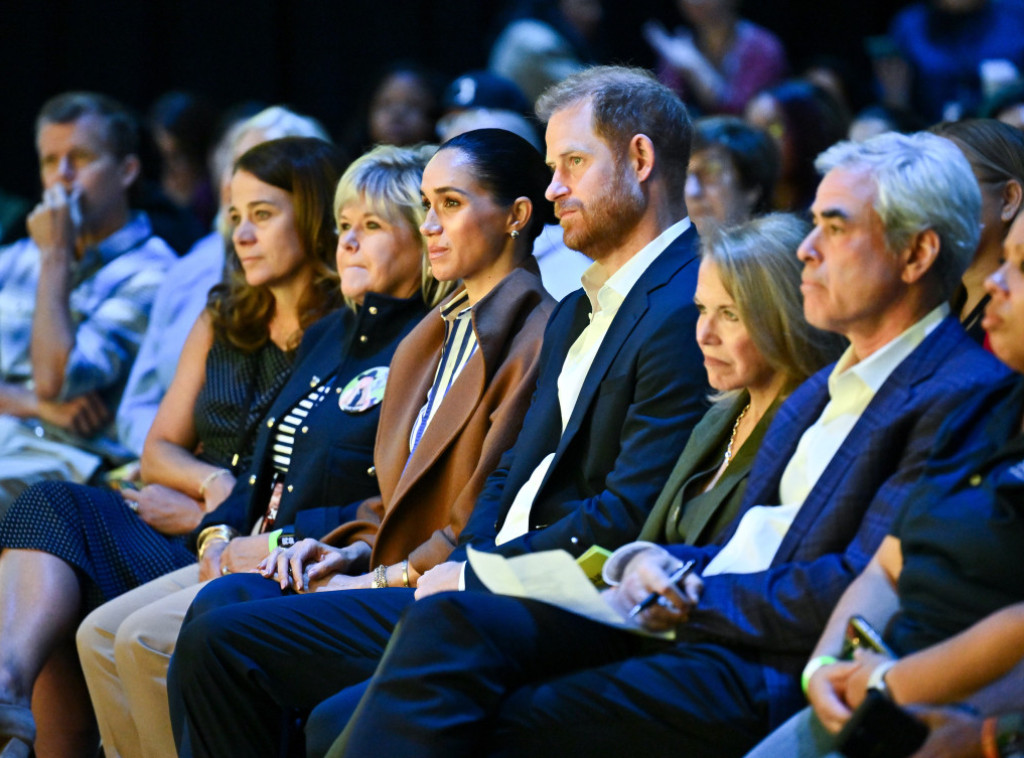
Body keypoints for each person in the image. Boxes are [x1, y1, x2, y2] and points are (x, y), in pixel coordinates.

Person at [295, 130, 1014, 758]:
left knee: (482, 719)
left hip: (758, 660)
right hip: (695, 614)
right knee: (442, 622)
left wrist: (691, 596)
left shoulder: (955, 390)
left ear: (917, 254)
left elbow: (856, 580)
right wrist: (650, 562)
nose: (806, 249)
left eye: (833, 227)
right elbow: (743, 544)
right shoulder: (827, 383)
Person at [167, 64, 713, 757]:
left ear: (640, 159)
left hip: (562, 598)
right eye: (551, 168)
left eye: (573, 164)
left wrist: (472, 570)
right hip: (483, 579)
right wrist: (453, 559)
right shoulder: (581, 306)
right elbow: (510, 475)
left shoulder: (683, 304)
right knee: (225, 617)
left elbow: (626, 511)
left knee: (229, 640)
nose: (552, 190)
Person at [87, 129, 554, 758]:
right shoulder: (435, 335)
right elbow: (389, 493)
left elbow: (478, 514)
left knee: (213, 637)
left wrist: (369, 574)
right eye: (427, 207)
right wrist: (329, 550)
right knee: (213, 602)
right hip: (372, 560)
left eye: (449, 205)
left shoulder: (534, 335)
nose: (432, 227)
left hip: (439, 586)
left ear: (517, 217)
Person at [0, 136, 345, 758]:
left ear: (316, 216)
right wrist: (213, 487)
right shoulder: (225, 314)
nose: (242, 234)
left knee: (74, 556)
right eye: (234, 216)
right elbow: (160, 447)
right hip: (190, 515)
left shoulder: (350, 332)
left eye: (263, 215)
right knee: (51, 504)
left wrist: (212, 515)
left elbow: (320, 481)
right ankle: (7, 688)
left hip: (247, 543)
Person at [743, 207, 1024, 758]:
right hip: (874, 687)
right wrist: (824, 668)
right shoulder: (988, 402)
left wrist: (892, 684)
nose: (994, 281)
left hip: (965, 713)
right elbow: (887, 566)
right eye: (1005, 258)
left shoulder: (957, 380)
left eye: (1021, 266)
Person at [115, 105, 331, 457]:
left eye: (272, 168)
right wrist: (177, 466)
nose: (249, 180)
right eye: (242, 164)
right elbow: (141, 405)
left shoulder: (340, 321)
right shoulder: (191, 274)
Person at [0, 92, 176, 507]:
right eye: (49, 161)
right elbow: (50, 400)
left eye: (79, 158)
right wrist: (35, 405)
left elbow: (56, 382)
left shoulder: (154, 274)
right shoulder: (14, 258)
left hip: (67, 464)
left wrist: (56, 256)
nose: (61, 177)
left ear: (127, 171)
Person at [640, 214, 844, 550]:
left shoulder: (816, 432)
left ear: (787, 319)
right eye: (702, 309)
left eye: (730, 315)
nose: (704, 335)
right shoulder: (719, 417)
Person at [929, 119, 1024, 342]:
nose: (926, 202)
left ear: (1009, 199)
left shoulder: (1014, 326)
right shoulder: (933, 308)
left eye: (946, 184)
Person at [644, 0, 787, 115]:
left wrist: (695, 68)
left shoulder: (762, 47)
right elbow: (664, 112)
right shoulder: (681, 46)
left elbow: (741, 114)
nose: (694, 2)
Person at [744, 80, 849, 212]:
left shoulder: (838, 205)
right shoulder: (746, 205)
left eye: (774, 128)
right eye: (752, 130)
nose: (759, 142)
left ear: (806, 131)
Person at [685, 116, 779, 237]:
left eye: (710, 170)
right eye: (685, 174)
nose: (692, 191)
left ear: (751, 187)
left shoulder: (785, 254)